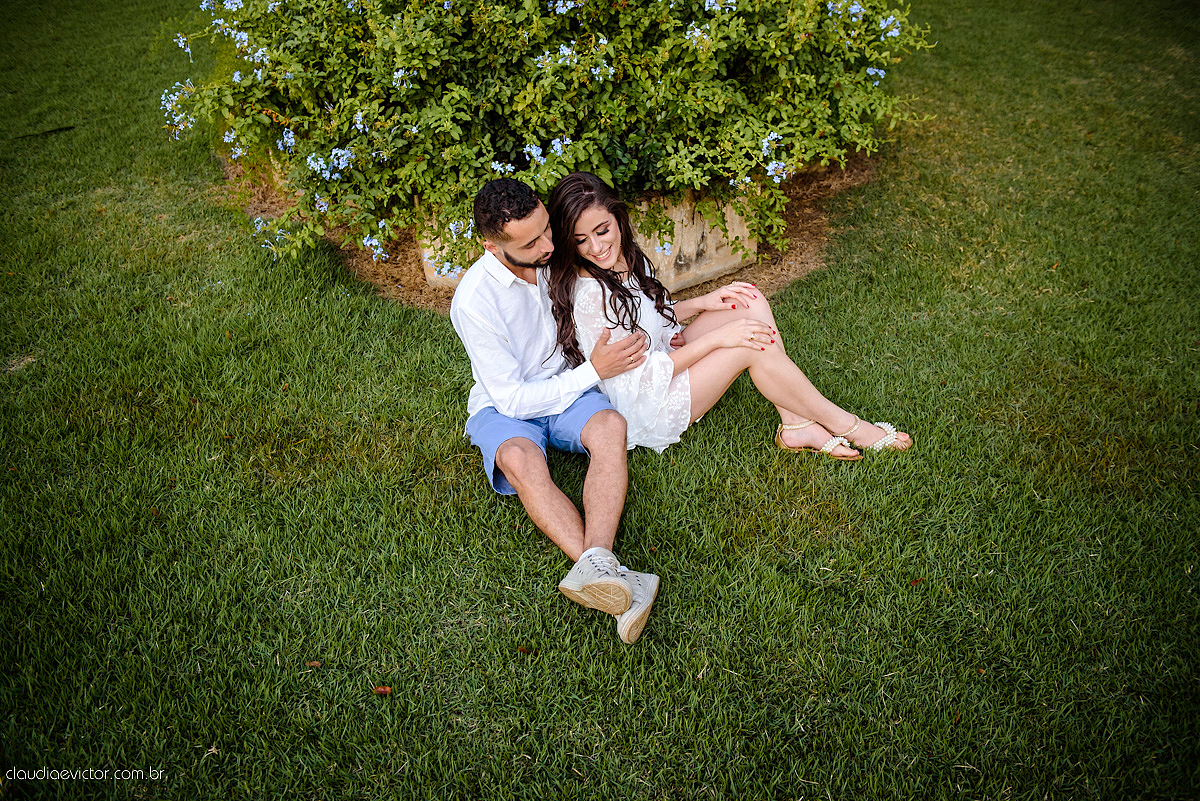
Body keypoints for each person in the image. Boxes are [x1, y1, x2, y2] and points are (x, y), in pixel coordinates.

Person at [545, 172, 914, 458]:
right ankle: (847, 424)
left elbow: (645, 315)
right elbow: (638, 378)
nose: (596, 246)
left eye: (602, 230)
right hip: (646, 404)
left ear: (617, 218)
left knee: (745, 299)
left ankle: (795, 423)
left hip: (664, 357)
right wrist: (715, 340)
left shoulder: (627, 256)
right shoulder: (590, 294)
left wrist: (704, 302)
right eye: (580, 240)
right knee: (747, 344)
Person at [449, 178, 659, 645]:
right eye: (532, 242)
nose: (549, 245)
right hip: (509, 405)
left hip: (566, 389)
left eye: (547, 229)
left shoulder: (554, 253)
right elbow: (512, 399)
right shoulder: (473, 301)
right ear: (492, 245)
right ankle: (621, 578)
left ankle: (600, 567)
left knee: (610, 426)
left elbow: (628, 281)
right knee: (520, 460)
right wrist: (593, 372)